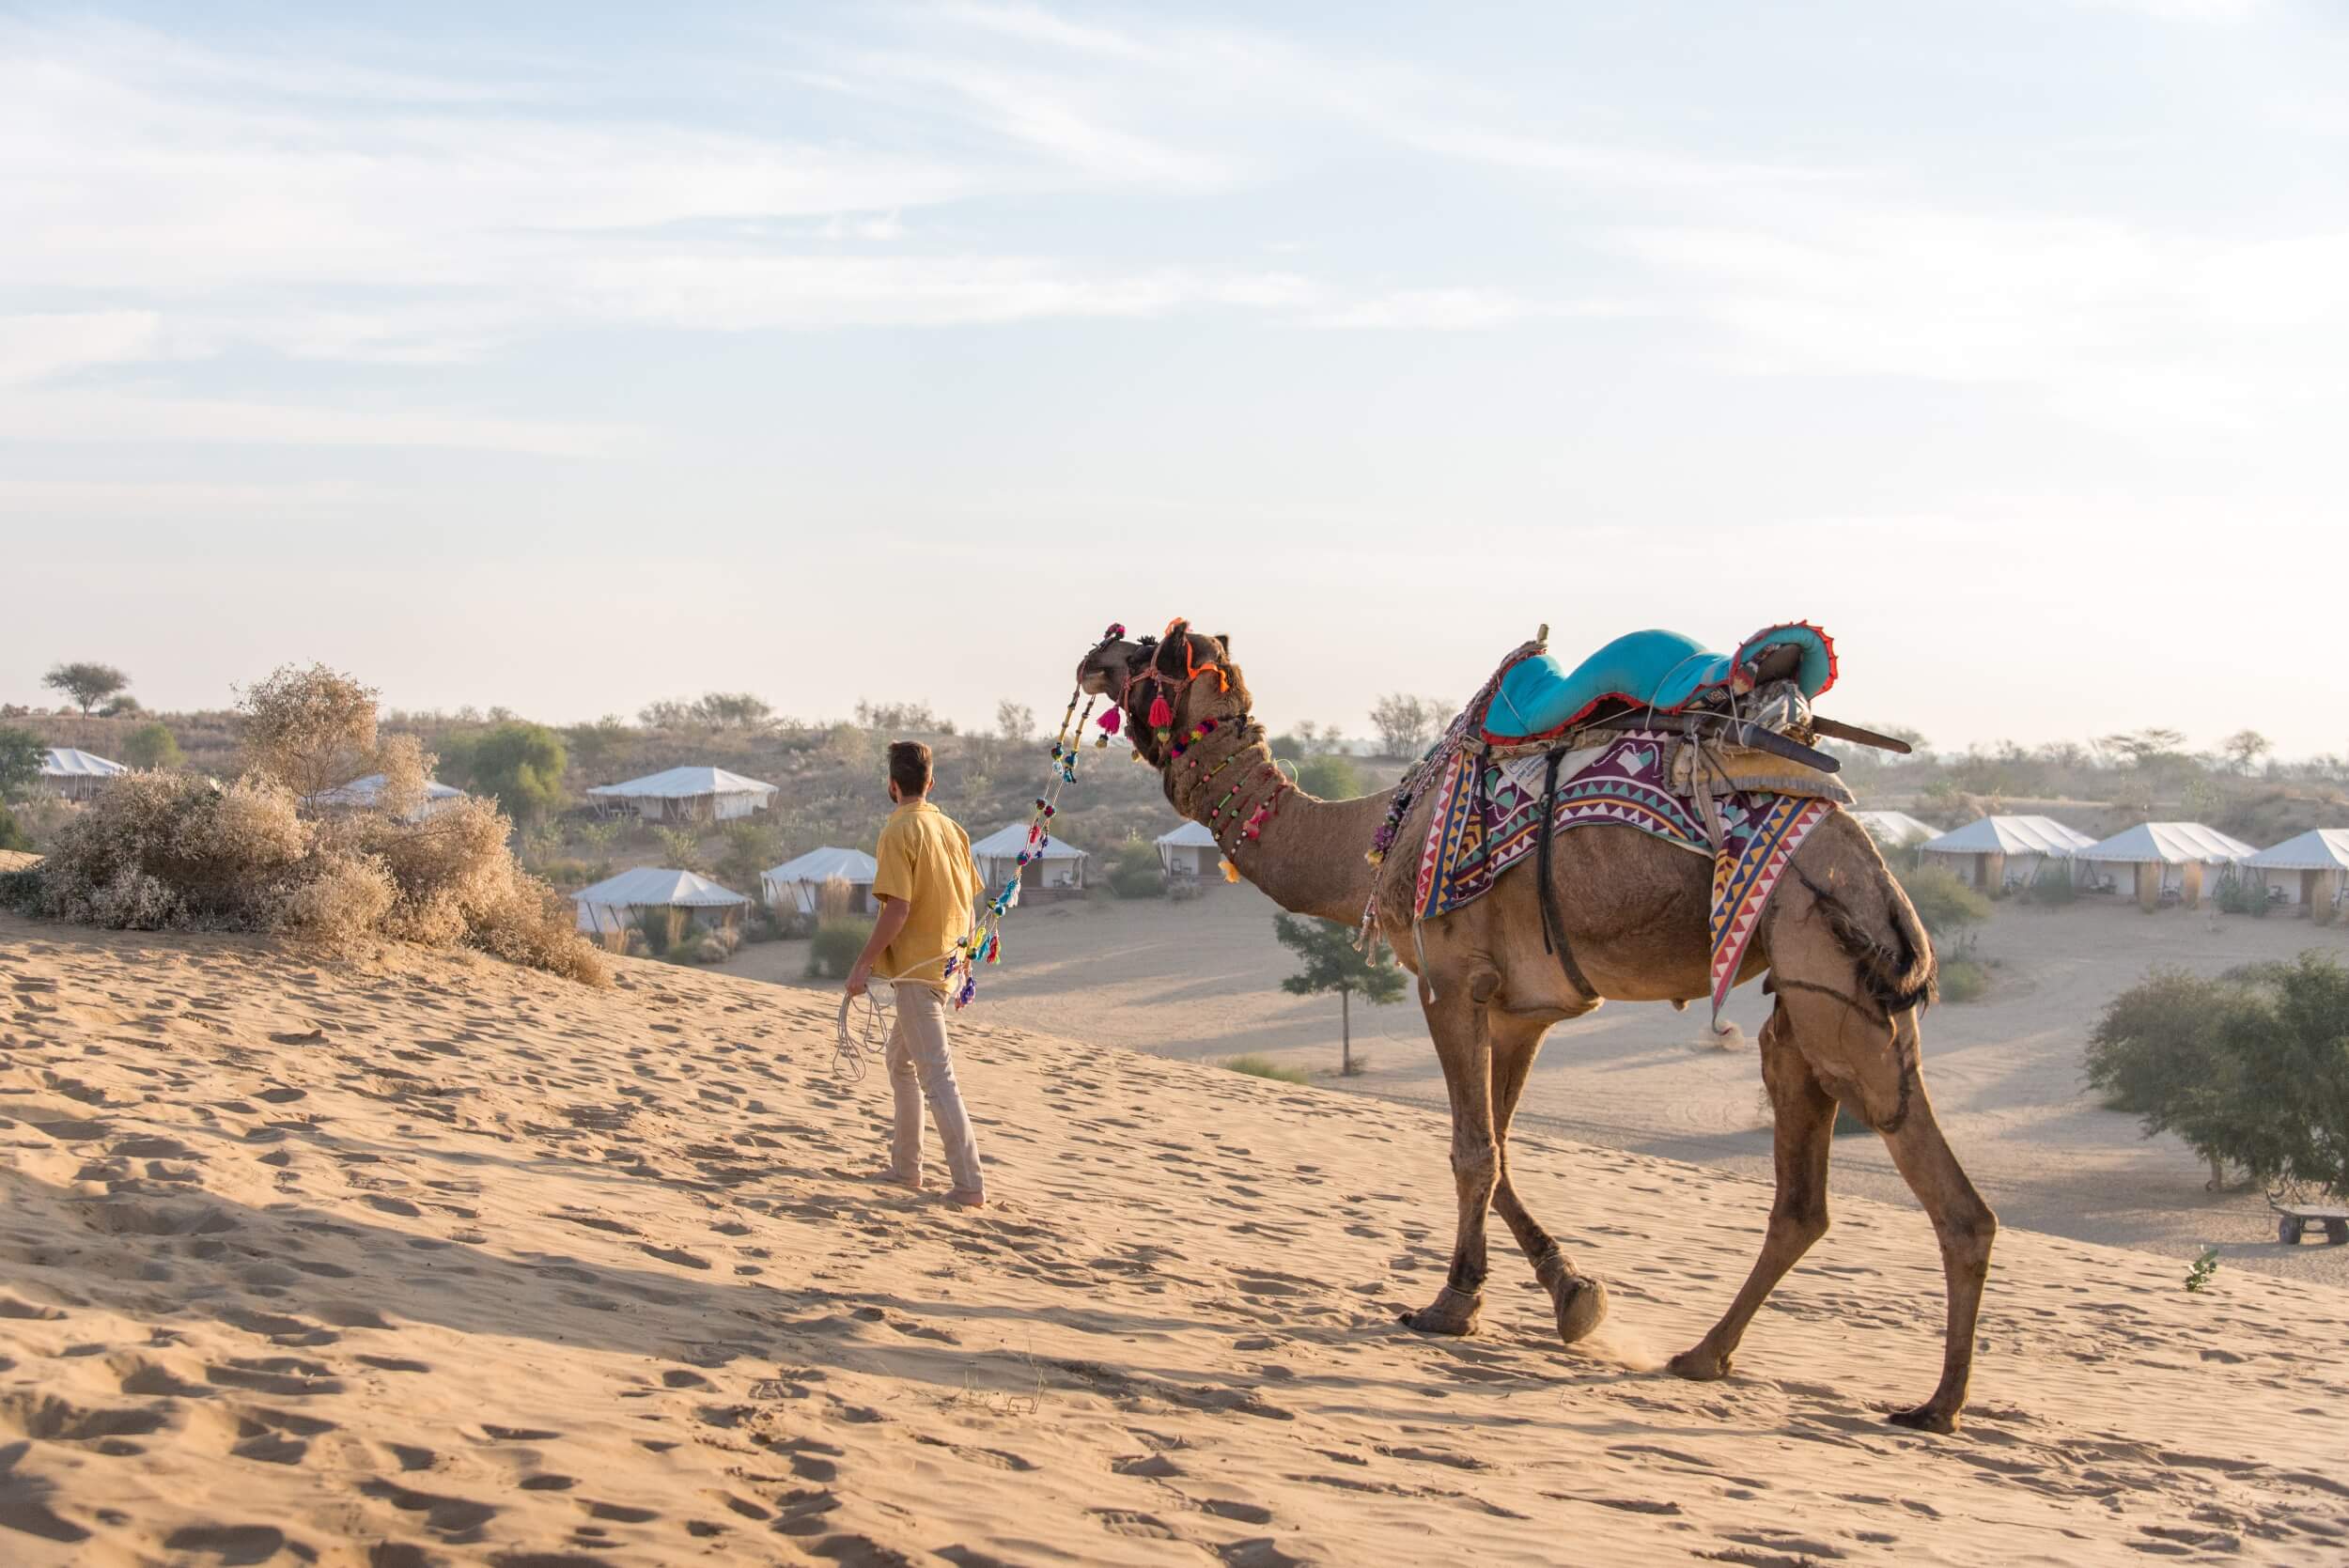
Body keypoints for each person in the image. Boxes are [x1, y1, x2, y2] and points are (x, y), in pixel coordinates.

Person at [846, 740, 988, 1207]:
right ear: (931, 782)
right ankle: (906, 1168)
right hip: (945, 966)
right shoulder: (951, 828)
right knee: (900, 1063)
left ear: (891, 785)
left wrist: (862, 965)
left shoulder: (899, 830)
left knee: (936, 1075)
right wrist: (964, 956)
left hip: (919, 970)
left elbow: (897, 909)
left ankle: (968, 1185)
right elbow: (970, 903)